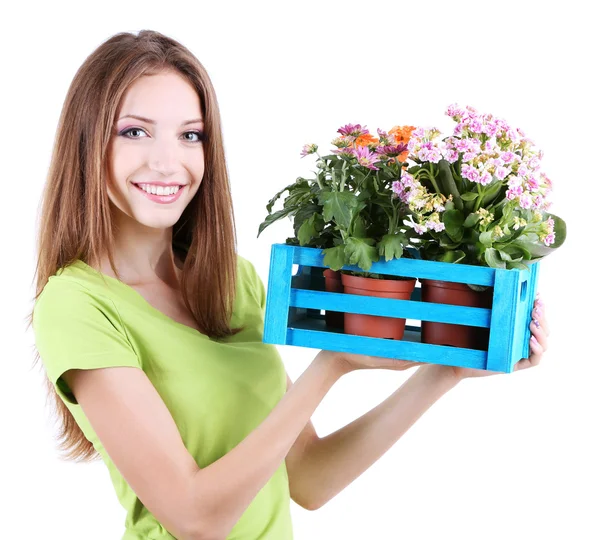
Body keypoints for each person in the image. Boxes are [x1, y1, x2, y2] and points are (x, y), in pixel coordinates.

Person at [28, 30, 549, 540]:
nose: (168, 161)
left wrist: (443, 374)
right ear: (87, 143)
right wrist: (331, 364)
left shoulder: (231, 281)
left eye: (191, 134)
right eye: (135, 131)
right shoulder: (76, 306)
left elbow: (309, 479)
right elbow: (195, 519)